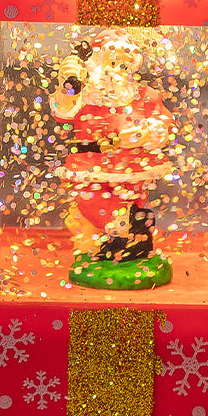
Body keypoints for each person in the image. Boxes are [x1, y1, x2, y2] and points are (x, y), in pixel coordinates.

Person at [50, 29, 175, 262]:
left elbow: (165, 124)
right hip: (90, 164)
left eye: (125, 64)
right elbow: (61, 110)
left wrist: (146, 133)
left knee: (129, 201)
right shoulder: (84, 94)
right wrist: (65, 84)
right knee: (91, 202)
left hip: (132, 166)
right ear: (96, 61)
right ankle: (135, 227)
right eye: (112, 60)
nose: (117, 69)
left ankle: (123, 244)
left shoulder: (144, 95)